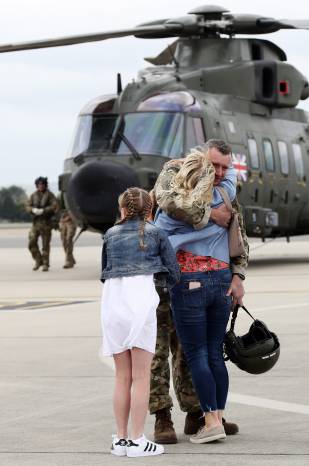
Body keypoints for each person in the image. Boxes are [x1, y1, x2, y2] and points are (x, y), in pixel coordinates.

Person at [154, 139, 248, 444]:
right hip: (165, 280)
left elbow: (238, 230)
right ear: (198, 157)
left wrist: (239, 274)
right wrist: (210, 215)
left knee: (195, 353)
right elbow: (168, 202)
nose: (219, 172)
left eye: (225, 166)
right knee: (161, 350)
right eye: (214, 165)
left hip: (193, 279)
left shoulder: (226, 187)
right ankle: (163, 415)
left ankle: (205, 416)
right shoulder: (173, 172)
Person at [100, 187, 180, 458]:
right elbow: (173, 272)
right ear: (150, 210)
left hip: (112, 304)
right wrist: (159, 288)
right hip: (140, 305)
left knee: (121, 376)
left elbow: (105, 271)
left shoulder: (110, 235)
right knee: (141, 376)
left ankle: (121, 439)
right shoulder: (156, 233)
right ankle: (137, 439)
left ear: (122, 209)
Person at [26, 177, 58, 272]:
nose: (41, 186)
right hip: (35, 224)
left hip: (46, 224)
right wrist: (32, 210)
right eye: (39, 184)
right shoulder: (33, 195)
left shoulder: (50, 195)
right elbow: (27, 206)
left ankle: (45, 264)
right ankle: (38, 260)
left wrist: (44, 210)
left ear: (45, 185)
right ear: (36, 185)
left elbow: (54, 206)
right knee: (31, 242)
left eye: (43, 184)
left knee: (45, 245)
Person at [58, 194, 77, 268]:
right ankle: (71, 258)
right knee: (64, 241)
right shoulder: (60, 196)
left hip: (71, 221)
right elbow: (56, 208)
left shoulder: (72, 195)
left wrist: (70, 216)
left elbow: (76, 208)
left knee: (68, 239)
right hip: (62, 221)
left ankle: (68, 261)